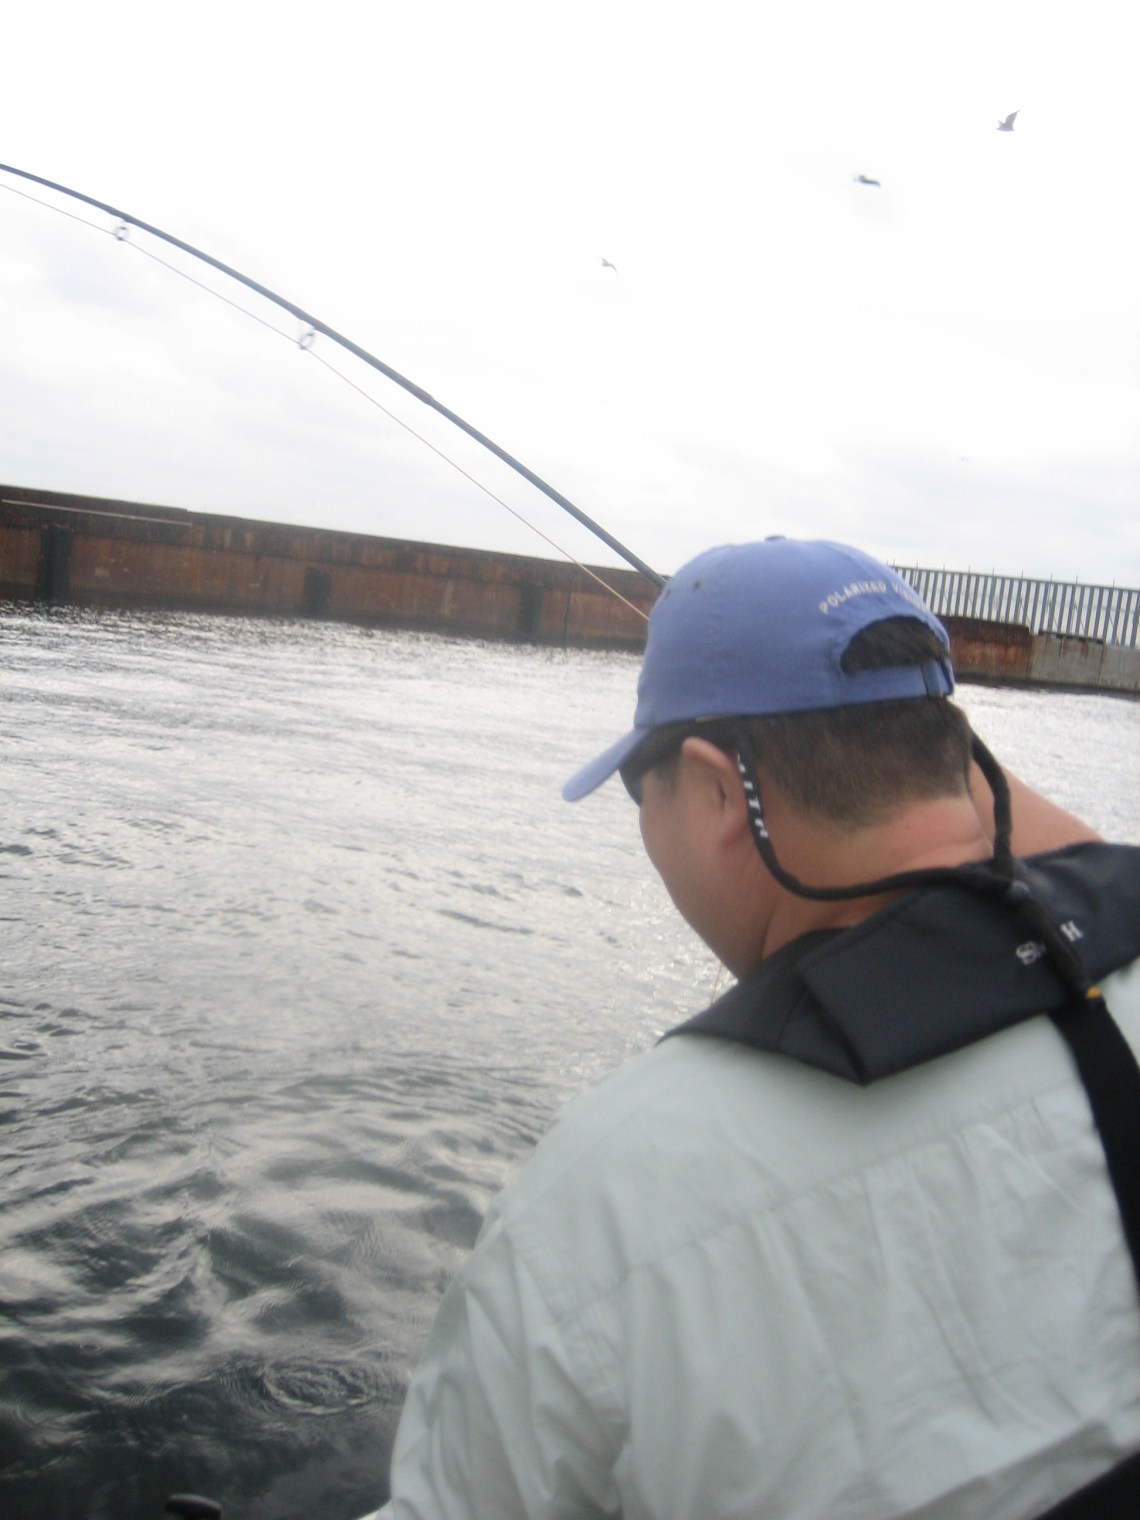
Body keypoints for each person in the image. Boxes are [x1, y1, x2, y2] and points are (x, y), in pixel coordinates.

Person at [373, 538, 1140, 1519]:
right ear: (958, 760)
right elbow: (1081, 860)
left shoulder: (608, 1194)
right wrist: (910, 729)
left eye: (638, 783)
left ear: (716, 791)